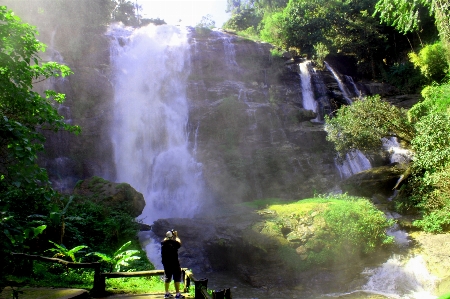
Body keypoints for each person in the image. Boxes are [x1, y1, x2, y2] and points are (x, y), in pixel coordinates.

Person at [161, 229, 184, 299]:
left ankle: (167, 293)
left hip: (166, 263)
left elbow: (165, 239)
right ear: (172, 237)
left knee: (167, 277)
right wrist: (176, 235)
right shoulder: (175, 243)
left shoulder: (163, 243)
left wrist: (169, 235)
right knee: (177, 277)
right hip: (175, 263)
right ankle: (177, 294)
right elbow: (179, 242)